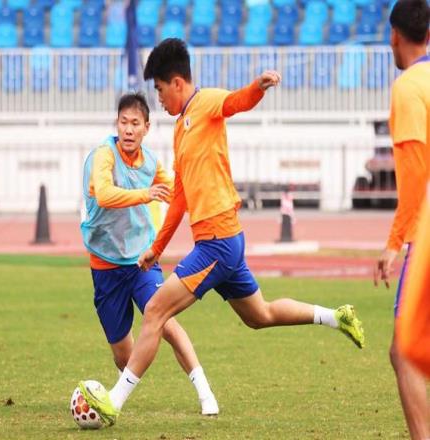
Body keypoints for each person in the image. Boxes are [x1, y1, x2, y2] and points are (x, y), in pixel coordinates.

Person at [81, 38, 365, 426]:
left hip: (217, 242)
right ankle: (335, 316)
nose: (159, 99)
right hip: (225, 240)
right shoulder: (180, 130)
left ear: (177, 83)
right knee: (259, 315)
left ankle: (114, 400)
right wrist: (156, 249)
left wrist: (257, 87)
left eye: (160, 90)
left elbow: (236, 102)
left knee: (155, 310)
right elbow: (179, 199)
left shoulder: (206, 102)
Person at [80, 92, 219, 425]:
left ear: (146, 127)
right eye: (123, 122)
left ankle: (205, 392)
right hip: (105, 266)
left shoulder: (152, 163)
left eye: (135, 123)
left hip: (141, 262)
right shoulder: (103, 155)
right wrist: (146, 194)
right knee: (124, 356)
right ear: (117, 125)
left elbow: (178, 192)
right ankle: (124, 386)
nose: (128, 129)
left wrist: (209, 199)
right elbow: (105, 194)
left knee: (165, 320)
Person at [373, 1, 430, 438]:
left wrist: (394, 243)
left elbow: (414, 175)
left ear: (395, 34)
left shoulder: (408, 88)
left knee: (404, 351)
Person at [397, 188, 430, 379]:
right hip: (419, 237)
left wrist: (393, 244)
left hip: (419, 240)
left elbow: (411, 191)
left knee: (402, 353)